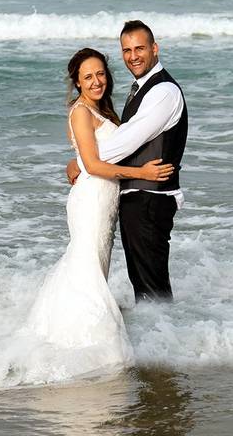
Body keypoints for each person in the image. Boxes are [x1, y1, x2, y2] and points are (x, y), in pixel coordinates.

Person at [16, 47, 173, 377]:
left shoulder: (102, 110)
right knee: (86, 262)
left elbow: (91, 156)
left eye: (100, 73)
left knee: (93, 263)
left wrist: (78, 162)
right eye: (88, 76)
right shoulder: (81, 112)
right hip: (91, 198)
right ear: (77, 81)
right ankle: (87, 342)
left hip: (104, 199)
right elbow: (94, 164)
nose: (96, 80)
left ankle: (71, 329)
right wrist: (142, 174)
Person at [68, 20, 188, 302]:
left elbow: (126, 141)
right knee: (144, 283)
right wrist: (82, 160)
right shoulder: (140, 89)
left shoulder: (162, 92)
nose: (133, 56)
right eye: (126, 50)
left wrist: (81, 161)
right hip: (133, 199)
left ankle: (165, 339)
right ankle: (162, 337)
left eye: (140, 48)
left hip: (149, 198)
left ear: (154, 49)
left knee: (150, 286)